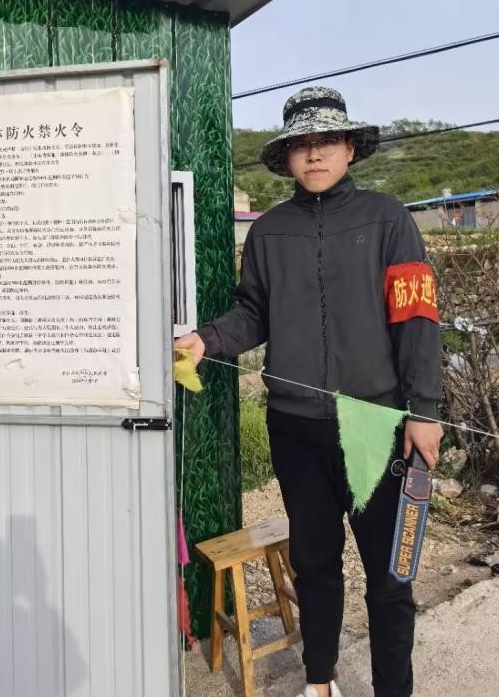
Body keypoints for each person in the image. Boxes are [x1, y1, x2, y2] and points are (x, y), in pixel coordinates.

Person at [175, 86, 443, 697]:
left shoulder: (389, 219)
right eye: (301, 144)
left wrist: (423, 411)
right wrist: (205, 340)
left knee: (390, 578)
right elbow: (253, 314)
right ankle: (320, 680)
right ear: (288, 157)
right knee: (315, 564)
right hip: (294, 429)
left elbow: (417, 319)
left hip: (373, 425)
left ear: (350, 148)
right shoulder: (269, 232)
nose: (314, 154)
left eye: (326, 141)